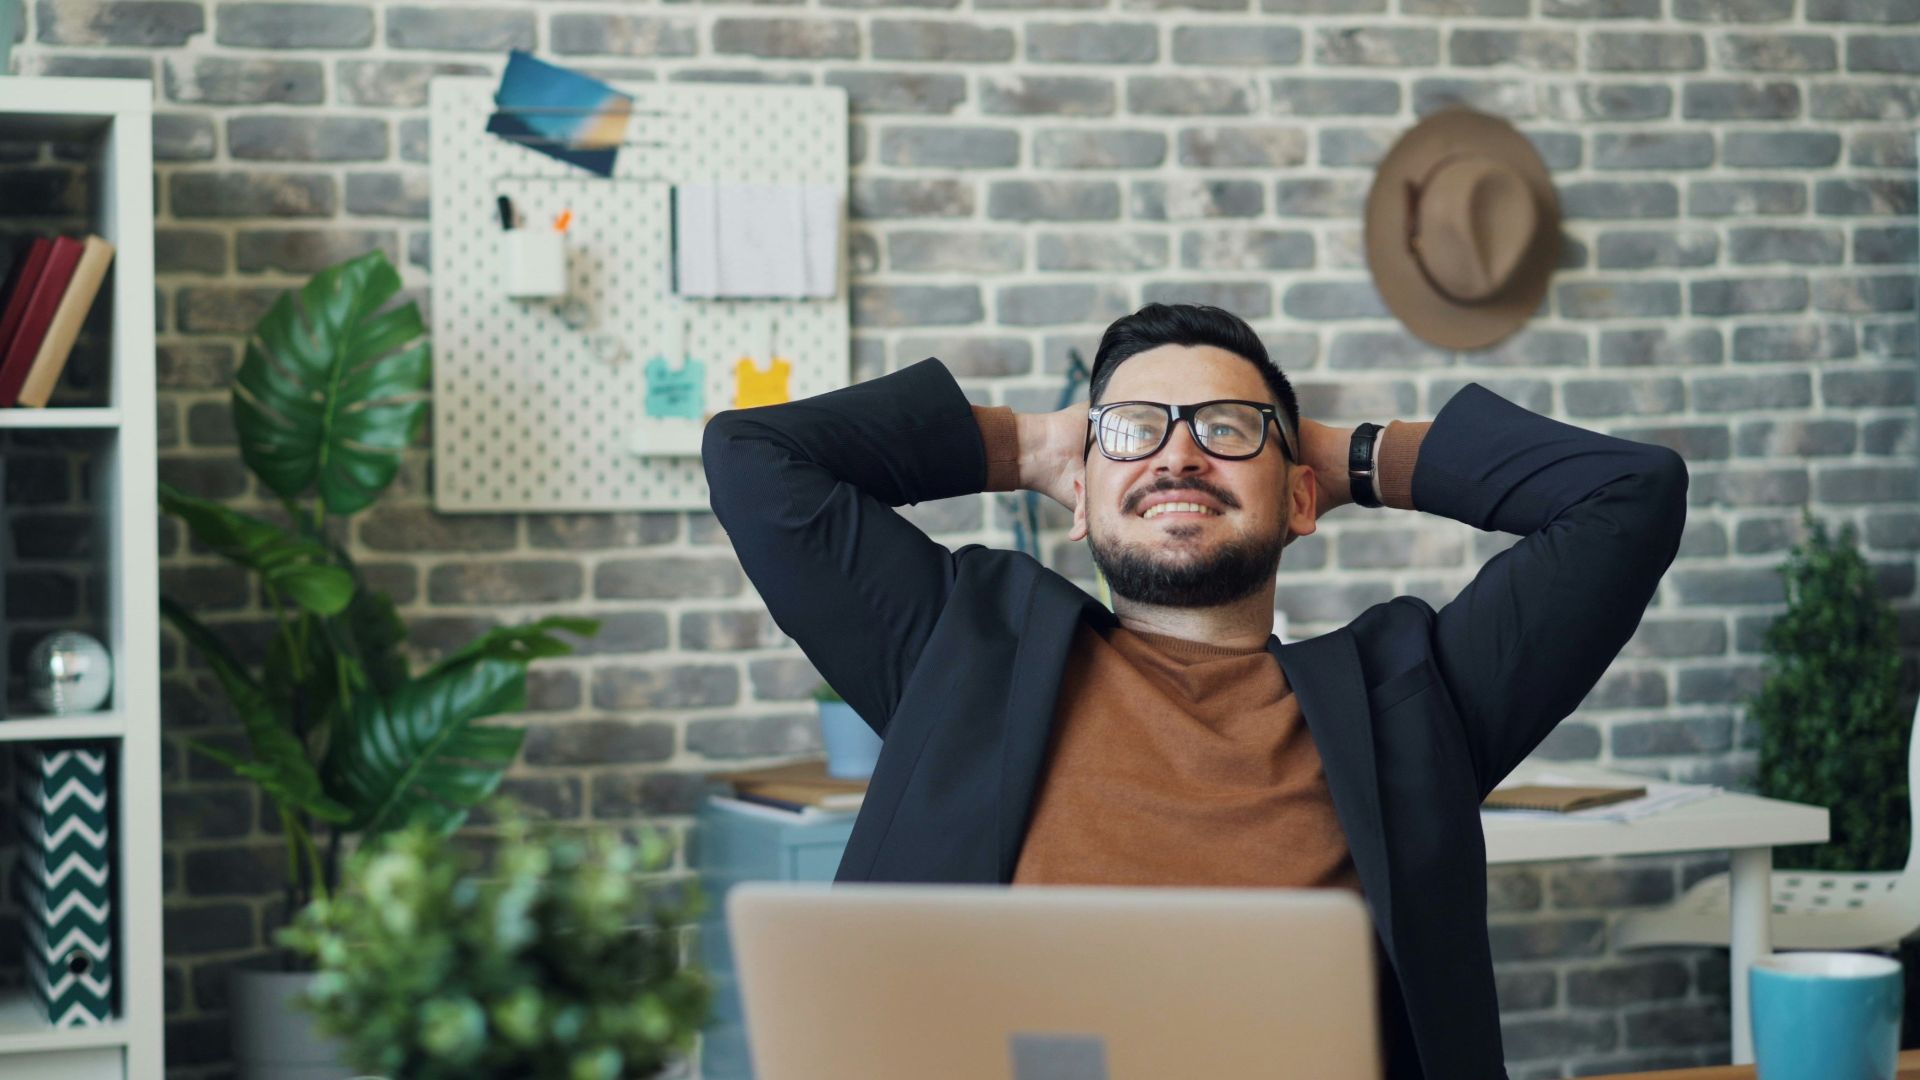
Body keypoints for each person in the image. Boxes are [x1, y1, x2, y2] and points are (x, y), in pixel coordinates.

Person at [702, 302, 1689, 1079]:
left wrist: (1348, 453)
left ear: (1300, 494)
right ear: (1077, 495)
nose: (1179, 452)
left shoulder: (1414, 698)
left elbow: (1626, 495)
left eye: (1227, 429)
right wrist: (1035, 445)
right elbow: (755, 459)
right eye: (1133, 430)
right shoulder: (962, 652)